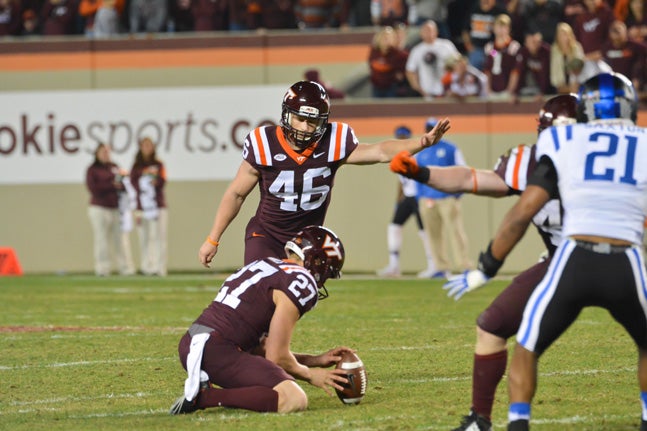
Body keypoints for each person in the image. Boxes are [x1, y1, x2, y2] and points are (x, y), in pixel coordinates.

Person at [454, 72, 647, 431]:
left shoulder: (564, 141)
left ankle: (518, 423)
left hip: (573, 259)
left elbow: (524, 210)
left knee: (527, 345)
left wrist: (488, 264)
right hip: (626, 260)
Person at [389, 94, 578, 430]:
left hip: (601, 258)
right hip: (563, 261)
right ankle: (481, 421)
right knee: (491, 325)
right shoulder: (532, 163)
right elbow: (469, 179)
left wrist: (487, 267)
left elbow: (513, 216)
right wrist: (420, 172)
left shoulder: (543, 160)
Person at [197, 80, 451, 268]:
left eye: (314, 122)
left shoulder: (334, 141)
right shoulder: (264, 143)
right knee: (259, 293)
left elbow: (380, 151)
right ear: (287, 115)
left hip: (307, 242)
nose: (306, 128)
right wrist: (213, 238)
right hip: (267, 234)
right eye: (300, 119)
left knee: (290, 304)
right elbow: (237, 194)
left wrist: (422, 142)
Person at [170, 225, 352, 415]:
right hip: (216, 349)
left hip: (195, 343)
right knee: (293, 398)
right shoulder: (300, 280)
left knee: (273, 384)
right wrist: (311, 375)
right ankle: (204, 397)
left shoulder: (267, 265)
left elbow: (262, 350)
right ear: (317, 262)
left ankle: (204, 392)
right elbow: (277, 356)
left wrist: (315, 360)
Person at [414, 117, 471, 278]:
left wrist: (457, 193)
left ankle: (464, 265)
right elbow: (415, 173)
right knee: (433, 235)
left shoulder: (450, 148)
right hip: (427, 199)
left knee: (456, 232)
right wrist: (420, 196)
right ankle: (441, 267)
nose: (431, 131)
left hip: (447, 197)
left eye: (433, 128)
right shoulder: (421, 150)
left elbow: (462, 169)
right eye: (428, 128)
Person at [377, 125, 435, 278]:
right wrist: (398, 200)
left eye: (404, 137)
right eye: (399, 137)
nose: (401, 140)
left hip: (419, 196)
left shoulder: (417, 154)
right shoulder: (397, 155)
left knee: (424, 231)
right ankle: (394, 266)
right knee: (394, 226)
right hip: (408, 197)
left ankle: (434, 265)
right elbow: (401, 181)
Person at [85, 142, 136, 277]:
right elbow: (93, 189)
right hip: (100, 208)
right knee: (101, 239)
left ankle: (126, 268)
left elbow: (125, 186)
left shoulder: (115, 167)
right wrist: (111, 184)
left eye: (107, 151)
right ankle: (102, 268)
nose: (105, 154)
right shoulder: (92, 169)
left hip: (116, 208)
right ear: (97, 153)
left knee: (121, 239)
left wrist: (123, 182)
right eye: (103, 151)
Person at [130, 136, 168, 276]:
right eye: (144, 145)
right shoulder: (136, 167)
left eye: (149, 145)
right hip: (141, 207)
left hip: (158, 205)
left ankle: (160, 267)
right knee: (144, 237)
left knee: (159, 237)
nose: (147, 148)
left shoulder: (159, 165)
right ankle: (147, 266)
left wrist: (155, 182)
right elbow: (132, 183)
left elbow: (163, 181)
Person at [405, 20, 460, 99]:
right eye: (426, 30)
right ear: (421, 33)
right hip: (428, 93)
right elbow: (410, 71)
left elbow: (458, 64)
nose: (428, 33)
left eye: (431, 30)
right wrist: (419, 89)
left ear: (436, 31)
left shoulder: (447, 46)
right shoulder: (416, 50)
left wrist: (454, 86)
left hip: (447, 91)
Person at [483, 14, 521, 100]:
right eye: (498, 26)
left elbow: (515, 71)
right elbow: (487, 70)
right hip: (493, 89)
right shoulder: (489, 47)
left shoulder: (513, 47)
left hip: (507, 90)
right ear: (494, 28)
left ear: (509, 28)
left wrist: (509, 90)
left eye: (503, 26)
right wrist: (488, 90)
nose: (501, 30)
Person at [368, 26, 410, 98]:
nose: (386, 40)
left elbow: (405, 66)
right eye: (384, 37)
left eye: (388, 38)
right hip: (376, 86)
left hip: (391, 87)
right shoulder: (374, 51)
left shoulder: (397, 53)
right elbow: (371, 63)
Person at [549, 22, 585, 94]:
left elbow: (581, 65)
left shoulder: (576, 47)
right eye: (561, 35)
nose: (563, 37)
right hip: (560, 84)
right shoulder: (554, 49)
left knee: (574, 88)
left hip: (576, 81)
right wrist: (559, 84)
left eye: (565, 34)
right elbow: (554, 69)